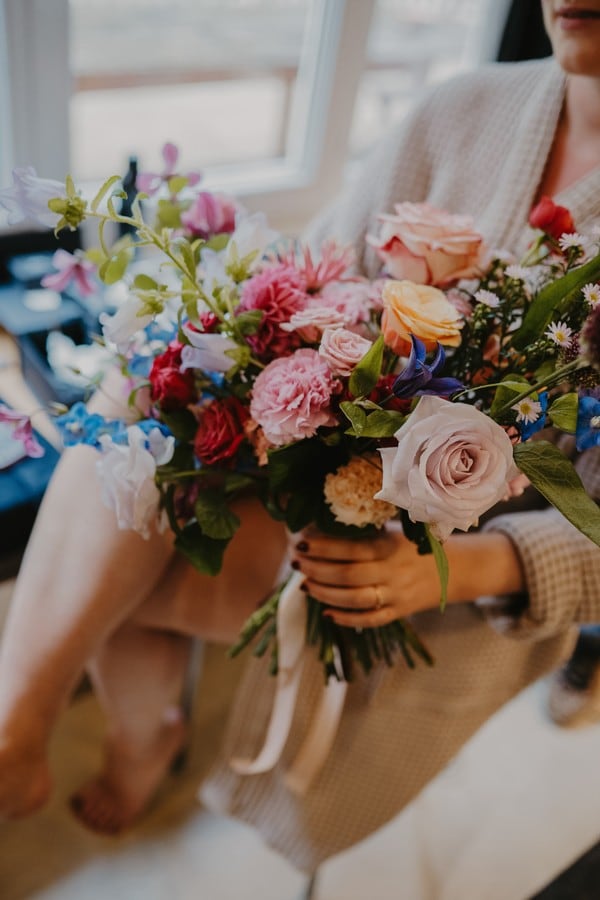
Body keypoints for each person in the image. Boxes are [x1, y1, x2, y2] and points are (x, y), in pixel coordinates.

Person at [0, 0, 600, 874]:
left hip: (464, 563)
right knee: (134, 439)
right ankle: (40, 721)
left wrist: (458, 569)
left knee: (121, 565)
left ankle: (128, 733)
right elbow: (320, 264)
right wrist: (236, 343)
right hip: (323, 468)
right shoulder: (462, 107)